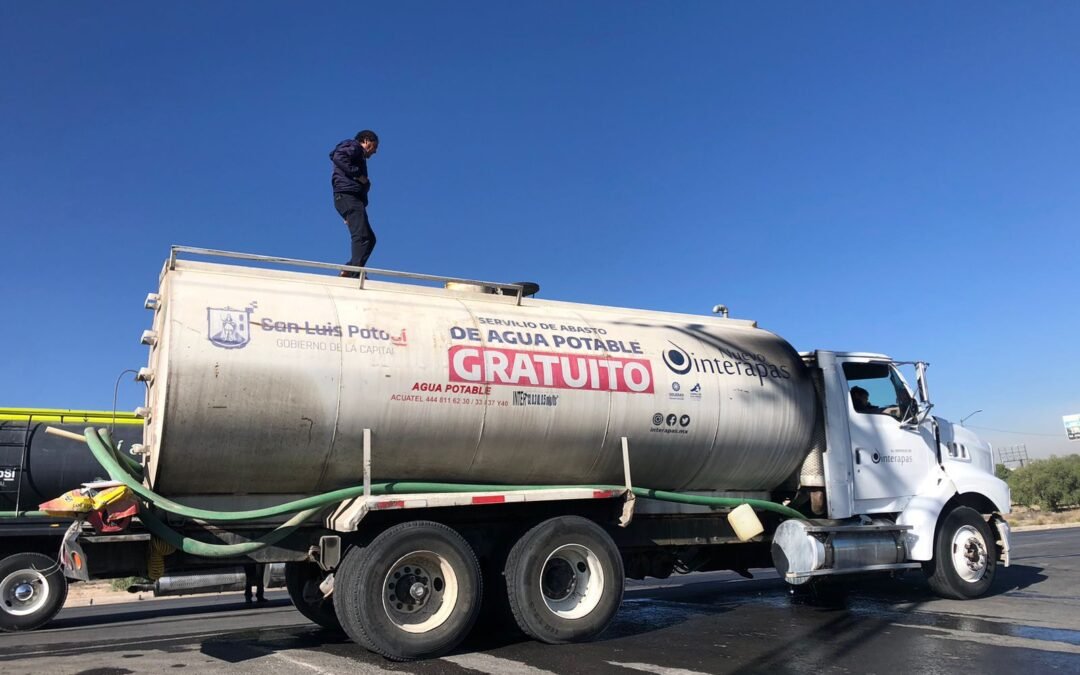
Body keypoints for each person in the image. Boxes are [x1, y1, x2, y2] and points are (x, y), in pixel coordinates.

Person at [330, 130, 380, 277]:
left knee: (369, 239)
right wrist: (358, 175)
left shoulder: (358, 154)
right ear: (366, 141)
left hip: (351, 200)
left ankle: (350, 270)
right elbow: (338, 157)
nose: (375, 151)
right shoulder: (354, 146)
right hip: (347, 197)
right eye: (374, 146)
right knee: (362, 236)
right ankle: (354, 274)